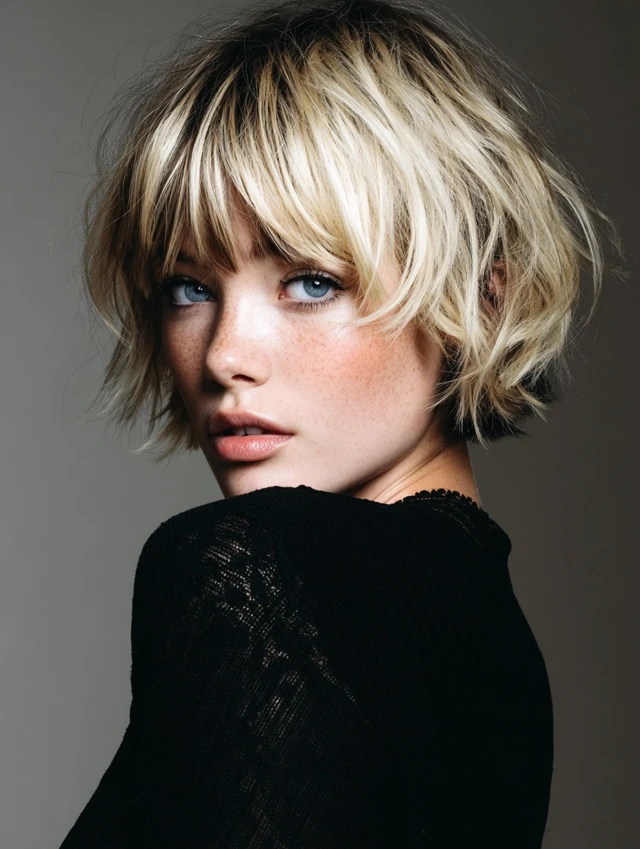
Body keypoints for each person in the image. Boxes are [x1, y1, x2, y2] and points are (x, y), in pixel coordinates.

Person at [58, 0, 620, 846]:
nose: (223, 355)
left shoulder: (253, 575)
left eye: (311, 281)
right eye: (190, 287)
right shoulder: (494, 650)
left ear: (479, 296)